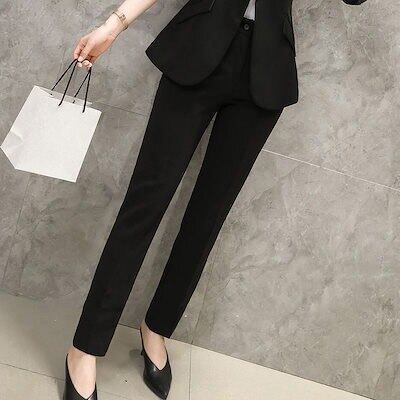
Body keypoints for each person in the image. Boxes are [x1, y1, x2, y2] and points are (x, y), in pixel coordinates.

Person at [63, 0, 367, 399]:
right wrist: (112, 25)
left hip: (265, 69)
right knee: (145, 204)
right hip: (198, 46)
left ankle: (157, 327)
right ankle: (85, 348)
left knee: (208, 216)